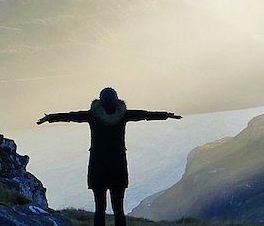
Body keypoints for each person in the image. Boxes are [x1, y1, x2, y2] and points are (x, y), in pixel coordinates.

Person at [37, 87, 182, 226]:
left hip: (97, 167)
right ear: (116, 100)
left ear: (100, 101)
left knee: (100, 208)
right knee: (119, 209)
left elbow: (71, 116)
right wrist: (166, 115)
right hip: (118, 167)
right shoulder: (123, 114)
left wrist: (50, 118)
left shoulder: (92, 115)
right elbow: (144, 115)